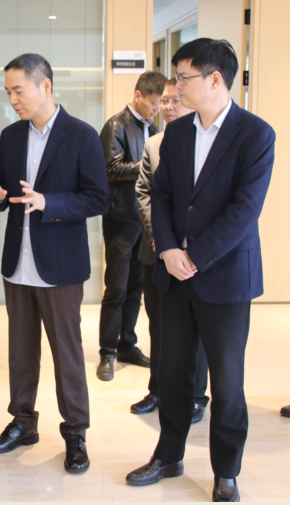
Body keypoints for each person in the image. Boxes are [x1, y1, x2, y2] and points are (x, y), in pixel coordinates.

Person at [126, 39, 275, 503]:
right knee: (172, 372)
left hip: (225, 276)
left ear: (215, 79)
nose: (176, 87)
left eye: (184, 77)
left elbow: (244, 210)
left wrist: (195, 255)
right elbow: (162, 195)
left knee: (227, 381)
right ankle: (168, 455)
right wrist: (169, 249)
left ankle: (226, 470)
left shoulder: (256, 134)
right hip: (173, 273)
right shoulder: (177, 133)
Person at [0, 53, 109, 473]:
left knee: (67, 352)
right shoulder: (11, 136)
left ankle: (76, 432)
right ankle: (22, 422)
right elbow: (11, 196)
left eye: (18, 90)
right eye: (7, 92)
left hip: (60, 265)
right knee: (21, 349)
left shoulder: (82, 135)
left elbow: (98, 198)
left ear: (45, 86)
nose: (12, 99)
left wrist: (50, 202)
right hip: (18, 262)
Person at [131, 79, 210, 424]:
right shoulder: (154, 143)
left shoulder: (208, 142)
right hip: (156, 252)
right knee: (159, 325)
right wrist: (160, 238)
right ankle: (158, 389)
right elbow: (145, 193)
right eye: (164, 101)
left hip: (196, 255)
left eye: (176, 100)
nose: (168, 106)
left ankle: (195, 395)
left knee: (198, 329)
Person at [97, 70, 167, 381]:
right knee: (116, 288)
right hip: (120, 220)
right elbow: (110, 169)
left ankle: (127, 344)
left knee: (136, 288)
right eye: (153, 102)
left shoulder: (154, 128)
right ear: (138, 95)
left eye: (160, 104)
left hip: (145, 221)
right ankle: (107, 351)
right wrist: (148, 165)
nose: (157, 109)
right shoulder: (116, 125)